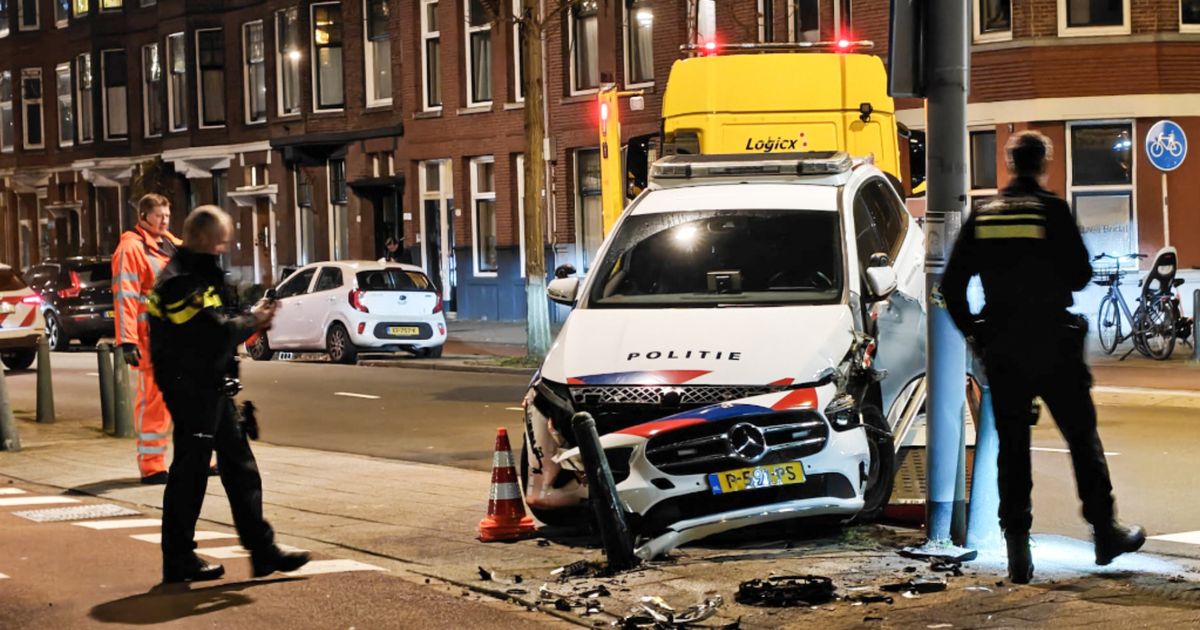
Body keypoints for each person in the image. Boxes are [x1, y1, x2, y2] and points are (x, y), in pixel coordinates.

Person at [942, 130, 1144, 584]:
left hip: (1003, 347)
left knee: (1013, 448)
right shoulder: (1051, 210)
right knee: (1081, 438)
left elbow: (952, 286)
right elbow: (1080, 275)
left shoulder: (984, 215)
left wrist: (976, 334)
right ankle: (1104, 533)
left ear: (1010, 164)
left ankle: (1018, 548)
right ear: (1044, 163)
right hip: (1053, 343)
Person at [147, 205, 309, 583]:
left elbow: (218, 321)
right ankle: (178, 558)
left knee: (240, 468)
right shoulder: (180, 282)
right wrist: (255, 320)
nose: (225, 248)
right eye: (221, 242)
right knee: (191, 473)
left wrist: (250, 316)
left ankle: (262, 551)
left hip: (210, 386)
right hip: (192, 390)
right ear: (206, 240)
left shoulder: (197, 274)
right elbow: (211, 333)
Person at [112, 193, 182, 484]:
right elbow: (125, 297)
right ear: (143, 217)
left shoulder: (172, 244)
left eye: (167, 216)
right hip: (153, 339)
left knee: (191, 399)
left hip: (180, 337)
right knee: (155, 402)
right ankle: (152, 466)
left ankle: (199, 457)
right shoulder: (131, 248)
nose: (164, 221)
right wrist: (127, 340)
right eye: (159, 216)